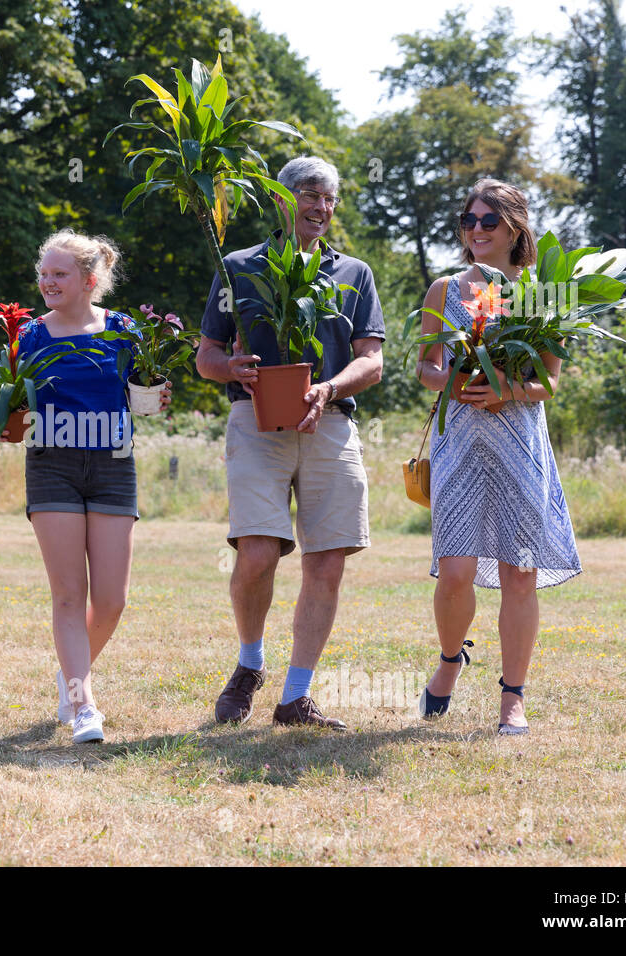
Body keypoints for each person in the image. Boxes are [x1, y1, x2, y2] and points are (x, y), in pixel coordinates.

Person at [197, 156, 385, 730]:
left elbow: (372, 361)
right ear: (281, 200)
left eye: (330, 198)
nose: (321, 208)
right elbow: (206, 357)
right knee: (256, 555)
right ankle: (249, 665)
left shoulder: (353, 273)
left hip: (328, 424)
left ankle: (295, 696)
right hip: (256, 424)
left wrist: (328, 389)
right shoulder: (238, 267)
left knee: (326, 561)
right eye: (310, 195)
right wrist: (234, 370)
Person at [414, 178, 580, 735]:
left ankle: (512, 697)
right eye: (468, 220)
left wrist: (508, 388)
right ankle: (448, 660)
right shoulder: (444, 289)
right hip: (459, 440)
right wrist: (454, 383)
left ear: (515, 228)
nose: (477, 230)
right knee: (456, 570)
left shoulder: (541, 295)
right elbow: (427, 367)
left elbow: (550, 382)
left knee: (520, 574)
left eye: (489, 221)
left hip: (519, 444)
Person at [13, 229, 171, 744]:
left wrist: (156, 394)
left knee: (111, 600)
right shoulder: (30, 335)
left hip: (113, 465)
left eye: (59, 274)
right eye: (44, 273)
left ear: (89, 280)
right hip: (51, 464)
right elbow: (14, 405)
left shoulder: (124, 330)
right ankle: (84, 705)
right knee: (68, 596)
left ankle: (68, 675)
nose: (47, 282)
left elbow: (143, 387)